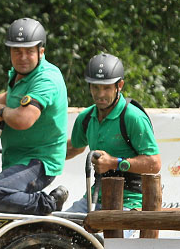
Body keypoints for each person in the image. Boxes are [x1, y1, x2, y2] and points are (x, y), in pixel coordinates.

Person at [0, 18, 69, 215]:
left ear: (41, 51)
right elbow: (9, 97)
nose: (22, 57)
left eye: (29, 51)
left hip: (39, 162)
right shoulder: (21, 74)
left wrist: (2, 112)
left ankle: (49, 203)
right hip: (19, 158)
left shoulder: (46, 79)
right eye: (17, 51)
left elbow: (24, 119)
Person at [65, 53, 161, 212]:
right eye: (95, 87)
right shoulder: (86, 118)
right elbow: (74, 147)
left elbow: (154, 163)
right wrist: (41, 156)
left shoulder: (133, 117)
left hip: (132, 203)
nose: (100, 94)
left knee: (110, 235)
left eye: (107, 88)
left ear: (120, 85)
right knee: (58, 229)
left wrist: (114, 162)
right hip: (96, 199)